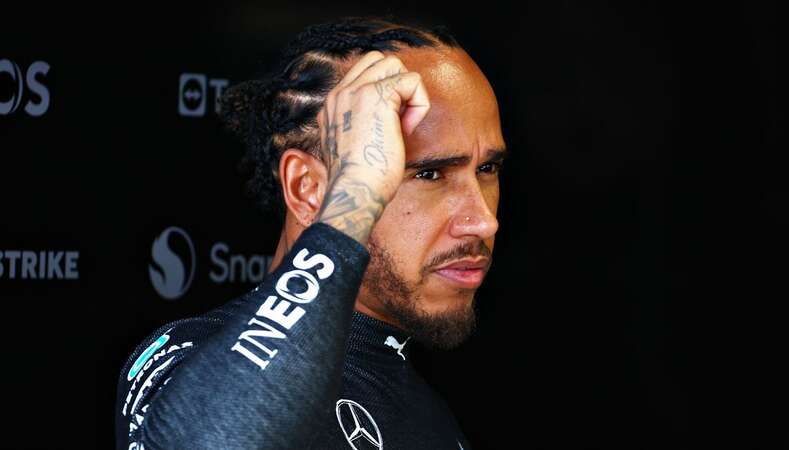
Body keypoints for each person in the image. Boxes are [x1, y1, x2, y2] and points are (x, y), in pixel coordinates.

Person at [116, 15, 506, 450]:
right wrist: (355, 190)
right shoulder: (190, 354)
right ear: (309, 190)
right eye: (430, 173)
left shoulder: (427, 411)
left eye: (487, 169)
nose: (482, 220)